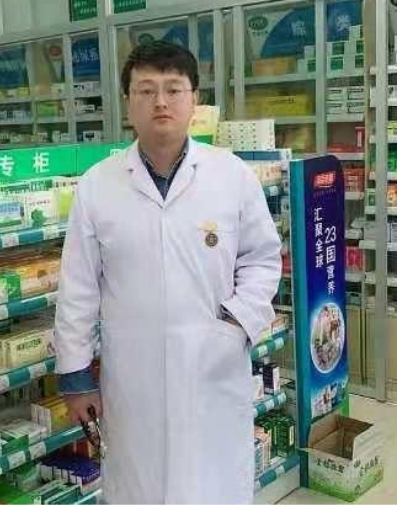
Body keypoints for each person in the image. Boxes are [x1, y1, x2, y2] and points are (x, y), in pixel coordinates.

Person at [54, 41, 282, 505]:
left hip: (213, 365)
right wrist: (75, 377)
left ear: (194, 100)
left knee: (213, 483)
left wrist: (235, 322)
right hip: (132, 375)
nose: (160, 102)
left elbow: (262, 258)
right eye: (146, 90)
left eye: (173, 89)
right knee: (140, 484)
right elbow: (78, 286)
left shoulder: (231, 175)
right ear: (128, 102)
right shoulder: (98, 184)